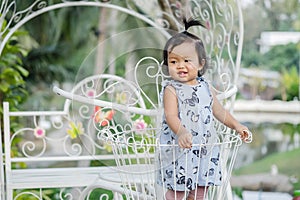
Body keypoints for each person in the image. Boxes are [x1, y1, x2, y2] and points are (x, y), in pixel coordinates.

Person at [157, 18, 250, 200]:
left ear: (201, 64)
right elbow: (171, 116)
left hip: (204, 149)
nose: (180, 66)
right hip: (181, 149)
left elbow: (219, 111)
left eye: (186, 60)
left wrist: (237, 125)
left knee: (200, 189)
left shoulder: (206, 87)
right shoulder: (171, 89)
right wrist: (182, 132)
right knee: (178, 190)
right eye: (174, 62)